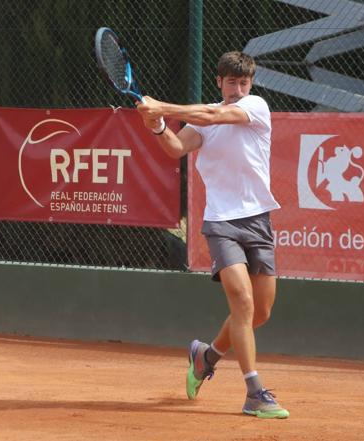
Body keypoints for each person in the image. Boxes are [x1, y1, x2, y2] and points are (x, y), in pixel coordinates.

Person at [136, 51, 288, 419]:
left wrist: (162, 106)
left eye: (244, 82)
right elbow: (175, 148)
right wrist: (157, 125)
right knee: (243, 302)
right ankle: (254, 392)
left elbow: (214, 114)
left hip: (258, 221)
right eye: (232, 82)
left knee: (261, 312)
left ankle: (207, 356)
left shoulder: (256, 106)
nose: (238, 89)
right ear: (219, 81)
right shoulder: (204, 119)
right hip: (221, 222)